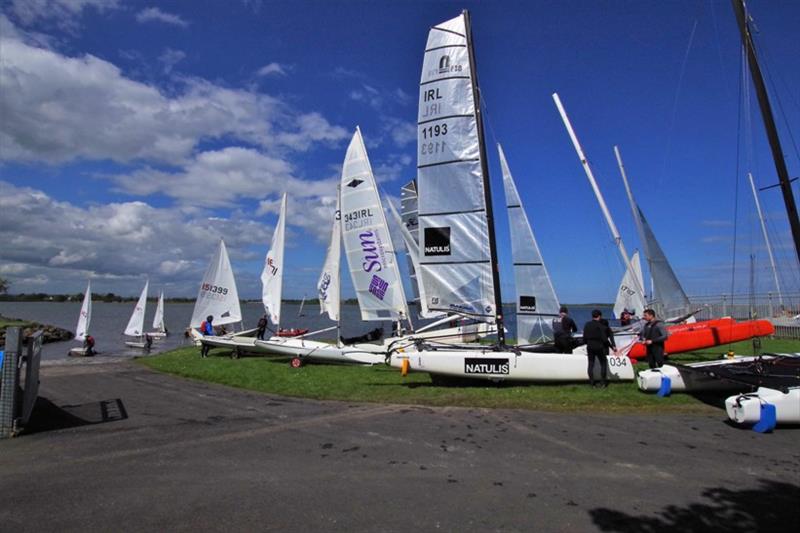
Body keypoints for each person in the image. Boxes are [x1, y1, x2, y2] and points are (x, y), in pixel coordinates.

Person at [583, 309, 618, 387]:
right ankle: (603, 383)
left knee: (591, 364)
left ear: (592, 316)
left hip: (590, 346)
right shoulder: (600, 326)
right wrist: (612, 347)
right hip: (599, 346)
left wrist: (587, 343)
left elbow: (584, 338)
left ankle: (592, 383)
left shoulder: (587, 324)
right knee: (603, 363)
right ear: (599, 316)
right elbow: (605, 339)